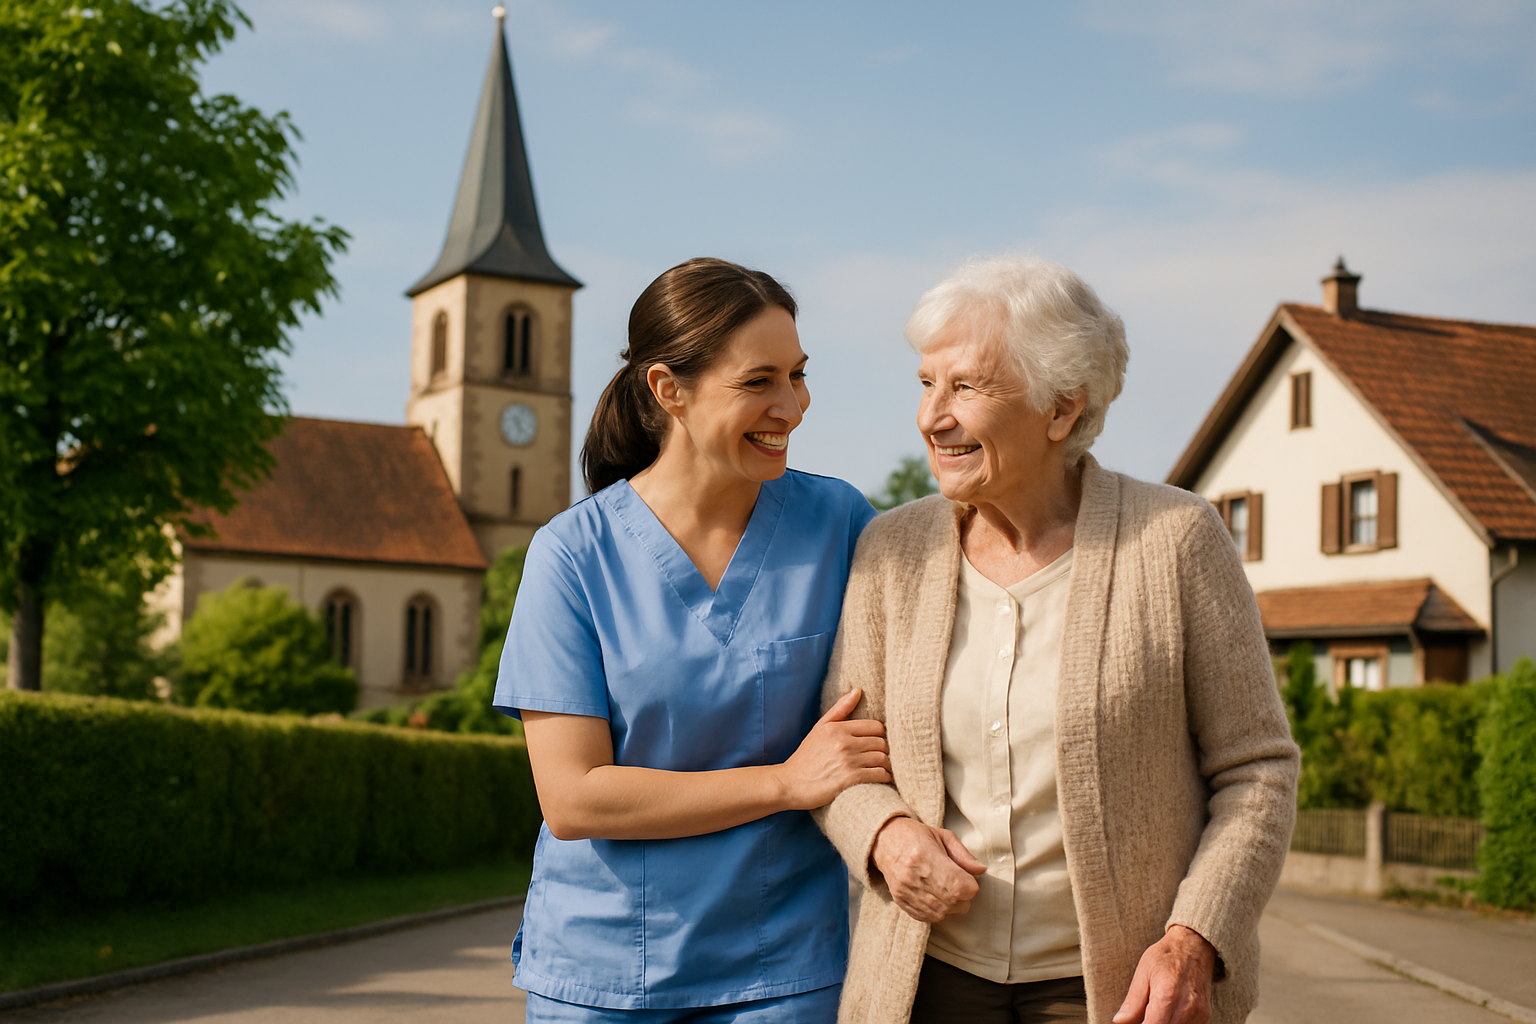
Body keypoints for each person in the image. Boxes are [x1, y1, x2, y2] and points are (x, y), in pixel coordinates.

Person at [814, 256, 1300, 1024]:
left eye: (965, 387)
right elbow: (841, 759)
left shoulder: (1176, 540)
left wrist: (1195, 937)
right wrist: (884, 833)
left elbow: (1258, 769)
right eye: (926, 383)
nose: (932, 416)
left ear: (1061, 410)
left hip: (1116, 993)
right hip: (925, 981)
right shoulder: (891, 552)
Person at [493, 257, 890, 1024]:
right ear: (667, 389)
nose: (791, 406)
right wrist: (786, 782)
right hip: (605, 973)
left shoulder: (841, 524)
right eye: (759, 381)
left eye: (798, 375)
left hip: (785, 968)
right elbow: (574, 797)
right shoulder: (572, 555)